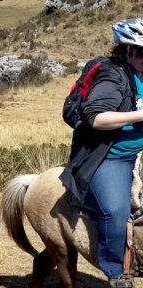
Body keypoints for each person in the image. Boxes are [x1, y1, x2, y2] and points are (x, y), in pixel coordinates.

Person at [59, 18, 143, 287]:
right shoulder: (112, 75)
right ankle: (116, 270)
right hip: (113, 155)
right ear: (127, 50)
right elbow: (96, 118)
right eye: (142, 52)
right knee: (115, 210)